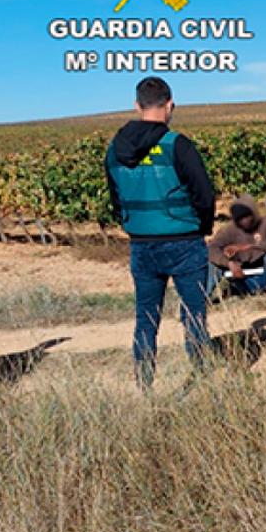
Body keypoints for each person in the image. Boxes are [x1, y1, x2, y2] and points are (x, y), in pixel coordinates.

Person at [105, 76, 216, 389]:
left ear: (137, 106)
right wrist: (201, 228)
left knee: (146, 318)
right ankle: (203, 380)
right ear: (170, 106)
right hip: (184, 242)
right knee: (194, 314)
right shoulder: (177, 144)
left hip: (141, 246)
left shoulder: (115, 150)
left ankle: (144, 384)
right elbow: (204, 194)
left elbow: (115, 197)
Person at [207, 194, 266, 310]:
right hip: (240, 278)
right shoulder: (228, 230)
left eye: (247, 216)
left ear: (254, 213)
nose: (244, 220)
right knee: (212, 264)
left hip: (264, 276)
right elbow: (212, 249)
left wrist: (250, 247)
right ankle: (204, 297)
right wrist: (228, 263)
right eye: (239, 218)